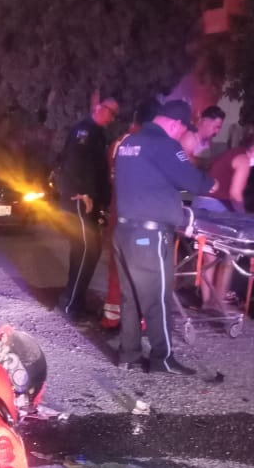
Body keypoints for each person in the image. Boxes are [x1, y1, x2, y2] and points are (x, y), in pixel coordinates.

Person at [113, 100, 217, 375]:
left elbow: (153, 182)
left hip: (123, 232)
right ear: (175, 124)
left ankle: (129, 355)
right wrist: (212, 183)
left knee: (130, 297)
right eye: (183, 130)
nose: (182, 135)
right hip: (149, 235)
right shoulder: (165, 145)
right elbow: (191, 181)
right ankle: (163, 358)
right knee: (157, 298)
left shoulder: (128, 143)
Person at [55, 97, 118, 320]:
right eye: (111, 112)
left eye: (115, 115)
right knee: (84, 250)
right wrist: (83, 193)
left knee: (89, 251)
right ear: (100, 108)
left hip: (90, 201)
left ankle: (76, 300)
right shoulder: (84, 131)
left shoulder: (97, 133)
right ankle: (70, 303)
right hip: (79, 200)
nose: (112, 118)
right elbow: (73, 163)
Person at [100, 98, 160, 329]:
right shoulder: (150, 145)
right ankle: (139, 320)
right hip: (142, 218)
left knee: (117, 266)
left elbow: (111, 175)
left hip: (119, 212)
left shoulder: (119, 142)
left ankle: (112, 317)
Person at [191, 132, 254, 307]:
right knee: (229, 256)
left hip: (200, 206)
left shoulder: (231, 153)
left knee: (209, 258)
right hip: (216, 209)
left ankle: (207, 304)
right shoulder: (243, 160)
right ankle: (219, 303)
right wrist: (242, 218)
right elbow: (235, 194)